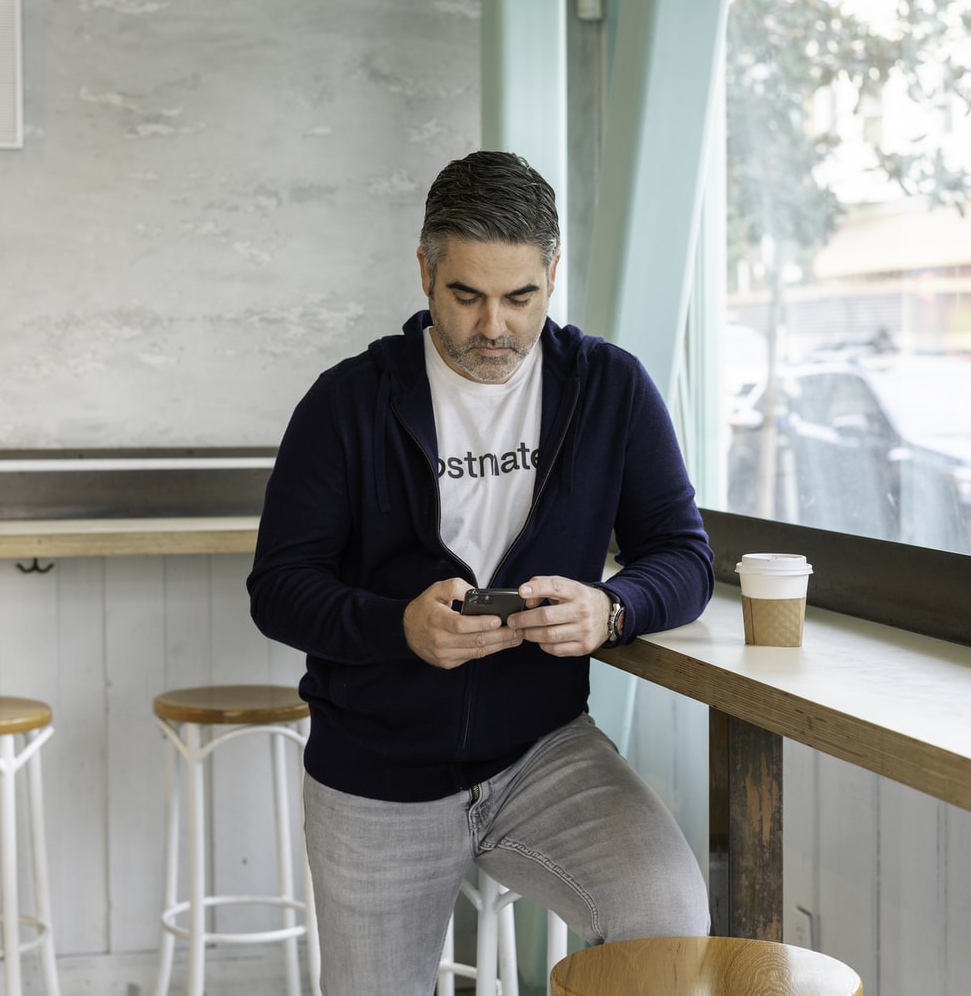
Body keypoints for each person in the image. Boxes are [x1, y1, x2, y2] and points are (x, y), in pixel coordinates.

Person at [247, 150, 714, 995]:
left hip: (543, 752)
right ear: (425, 272)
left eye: (520, 298)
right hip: (375, 774)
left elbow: (684, 556)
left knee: (667, 919)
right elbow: (279, 588)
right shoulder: (345, 403)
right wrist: (399, 626)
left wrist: (612, 610)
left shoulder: (610, 388)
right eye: (466, 295)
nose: (493, 326)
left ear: (552, 276)